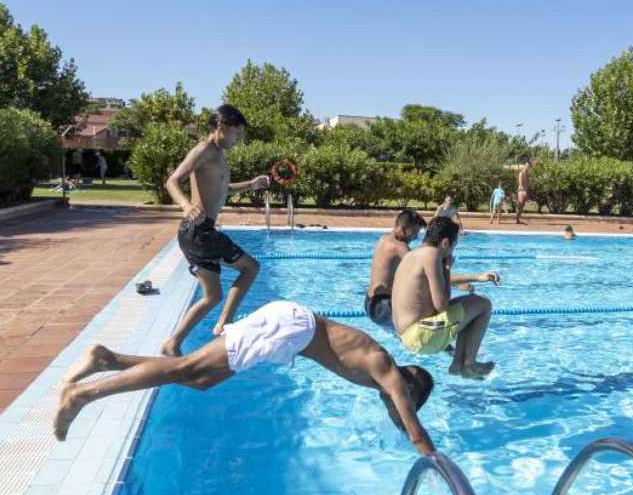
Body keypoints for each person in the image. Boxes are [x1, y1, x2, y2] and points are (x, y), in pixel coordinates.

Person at [51, 301, 438, 455]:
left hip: (292, 330)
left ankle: (108, 359)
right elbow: (415, 431)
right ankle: (84, 394)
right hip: (291, 330)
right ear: (409, 386)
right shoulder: (388, 371)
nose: (397, 407)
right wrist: (435, 462)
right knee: (186, 369)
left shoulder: (382, 371)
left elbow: (405, 423)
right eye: (405, 400)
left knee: (201, 380)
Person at [161, 104, 269, 357]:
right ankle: (224, 326)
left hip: (199, 232)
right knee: (250, 268)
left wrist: (251, 185)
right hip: (199, 231)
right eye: (236, 134)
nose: (237, 139)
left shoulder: (217, 155)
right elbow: (172, 181)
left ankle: (172, 344)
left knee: (212, 296)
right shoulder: (204, 150)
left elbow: (223, 189)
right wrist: (185, 204)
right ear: (222, 127)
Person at [392, 217, 496, 378]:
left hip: (408, 336)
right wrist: (447, 268)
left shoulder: (413, 255)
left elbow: (436, 284)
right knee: (484, 304)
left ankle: (457, 364)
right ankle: (469, 364)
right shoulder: (432, 255)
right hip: (421, 335)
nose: (452, 253)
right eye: (453, 247)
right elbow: (441, 305)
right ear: (445, 243)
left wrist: (477, 277)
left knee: (470, 305)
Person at [366, 209, 427, 327]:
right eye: (414, 232)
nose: (415, 238)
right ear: (403, 229)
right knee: (420, 333)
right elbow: (424, 270)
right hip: (383, 307)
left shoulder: (383, 239)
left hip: (370, 302)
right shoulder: (400, 247)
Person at [515, 158, 532, 224]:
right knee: (520, 205)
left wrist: (527, 191)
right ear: (525, 165)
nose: (528, 167)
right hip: (521, 191)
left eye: (529, 166)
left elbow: (528, 183)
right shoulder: (521, 173)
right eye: (527, 165)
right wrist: (524, 192)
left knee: (522, 206)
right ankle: (517, 220)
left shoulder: (527, 173)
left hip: (525, 190)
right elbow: (520, 183)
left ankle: (518, 219)